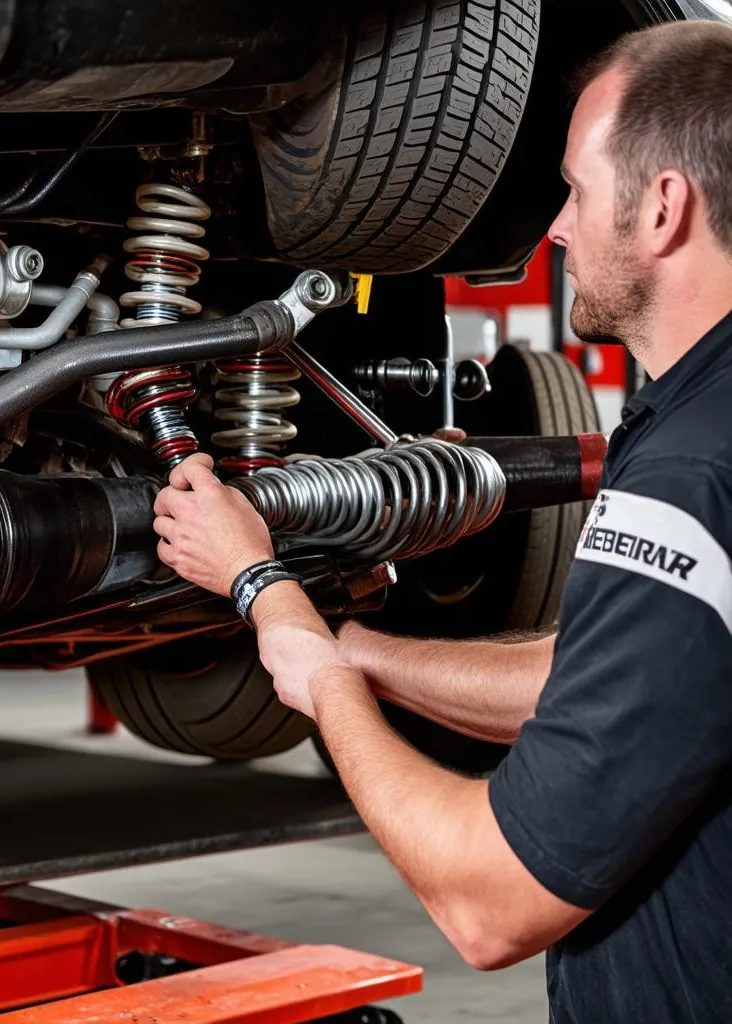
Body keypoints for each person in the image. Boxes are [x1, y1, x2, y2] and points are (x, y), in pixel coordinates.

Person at [151, 20, 732, 1023]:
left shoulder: (689, 478)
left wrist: (286, 622)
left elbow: (488, 903)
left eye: (577, 194)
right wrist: (361, 650)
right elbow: (612, 675)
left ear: (662, 209)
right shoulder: (699, 415)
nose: (553, 228)